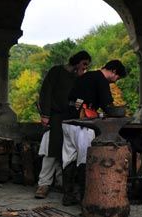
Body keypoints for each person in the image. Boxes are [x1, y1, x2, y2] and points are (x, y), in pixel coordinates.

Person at [61, 59, 127, 206]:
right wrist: (119, 114)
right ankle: (83, 197)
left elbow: (72, 96)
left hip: (67, 120)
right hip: (82, 122)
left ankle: (67, 196)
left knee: (69, 158)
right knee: (84, 158)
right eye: (117, 78)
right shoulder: (101, 80)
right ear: (114, 71)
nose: (115, 82)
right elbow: (107, 105)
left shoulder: (86, 76)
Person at [34, 51, 92, 200]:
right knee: (50, 149)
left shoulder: (79, 79)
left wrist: (79, 108)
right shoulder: (57, 71)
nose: (85, 68)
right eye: (84, 64)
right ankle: (44, 183)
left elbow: (80, 98)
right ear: (77, 61)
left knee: (67, 152)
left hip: (70, 119)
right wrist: (45, 115)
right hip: (54, 116)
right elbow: (46, 92)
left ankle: (61, 183)